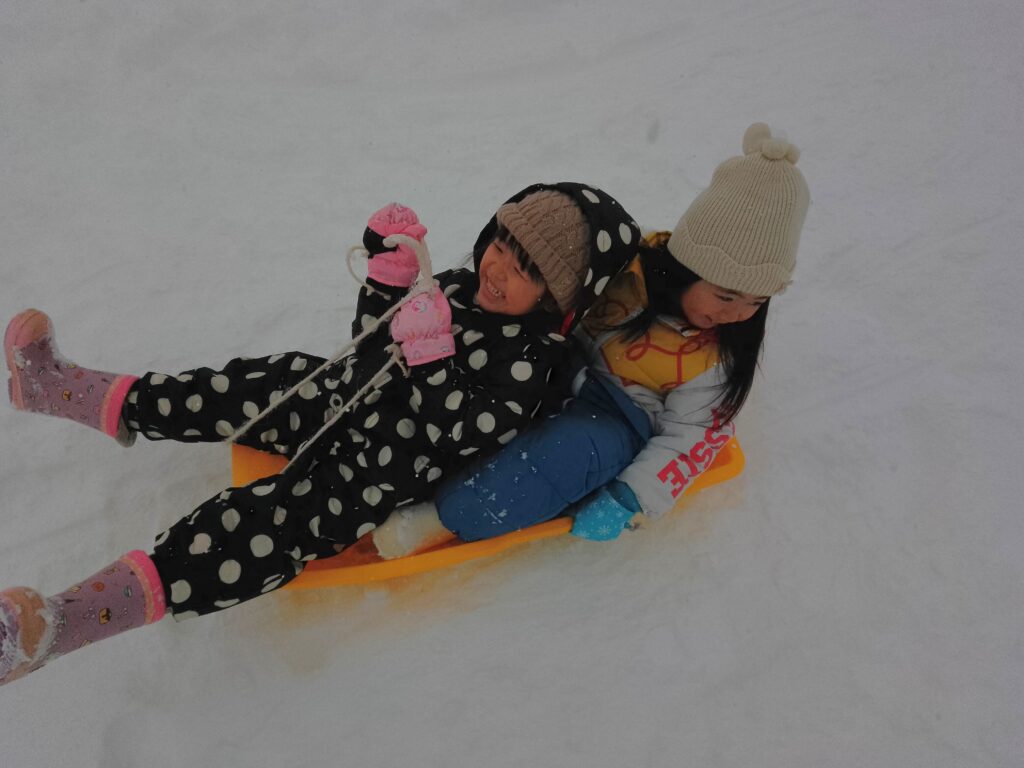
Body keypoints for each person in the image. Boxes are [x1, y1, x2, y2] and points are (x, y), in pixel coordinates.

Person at [0, 183, 640, 685]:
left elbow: (460, 434)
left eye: (526, 268)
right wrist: (387, 282)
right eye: (501, 241)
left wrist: (433, 360)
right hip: (338, 395)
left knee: (258, 530)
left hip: (376, 468)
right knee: (233, 389)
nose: (498, 266)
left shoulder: (529, 362)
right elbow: (373, 345)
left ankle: (57, 625)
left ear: (558, 297)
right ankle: (67, 390)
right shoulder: (458, 285)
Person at [362, 123, 810, 559]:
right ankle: (392, 448)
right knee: (481, 385)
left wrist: (629, 498)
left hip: (618, 419)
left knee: (560, 456)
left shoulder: (716, 363)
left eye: (756, 302)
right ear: (687, 268)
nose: (736, 314)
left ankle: (443, 518)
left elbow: (690, 438)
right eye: (726, 296)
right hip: (558, 367)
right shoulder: (629, 269)